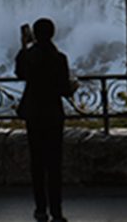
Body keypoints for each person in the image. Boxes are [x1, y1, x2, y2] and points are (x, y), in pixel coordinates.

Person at [15, 18, 76, 222]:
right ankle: (57, 211)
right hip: (53, 114)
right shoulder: (59, 58)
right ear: (53, 33)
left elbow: (19, 73)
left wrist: (24, 46)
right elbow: (64, 89)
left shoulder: (28, 56)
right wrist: (73, 87)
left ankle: (40, 208)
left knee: (37, 162)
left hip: (33, 113)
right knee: (54, 164)